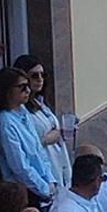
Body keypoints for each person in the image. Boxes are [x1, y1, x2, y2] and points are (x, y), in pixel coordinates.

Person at [0, 66, 57, 205]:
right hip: (24, 191)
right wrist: (44, 189)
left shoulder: (23, 111)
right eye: (22, 87)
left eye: (28, 86)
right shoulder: (5, 122)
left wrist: (50, 179)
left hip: (44, 187)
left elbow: (39, 152)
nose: (28, 90)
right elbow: (19, 166)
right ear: (8, 90)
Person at [14, 57, 72, 193]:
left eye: (42, 75)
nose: (40, 79)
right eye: (34, 76)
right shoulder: (21, 111)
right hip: (46, 170)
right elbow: (29, 145)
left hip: (59, 161)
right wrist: (50, 138)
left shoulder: (40, 102)